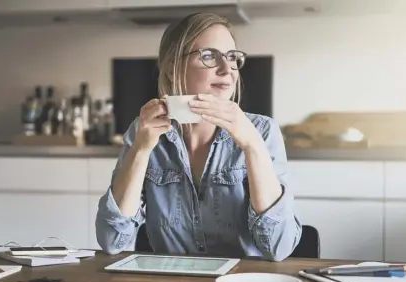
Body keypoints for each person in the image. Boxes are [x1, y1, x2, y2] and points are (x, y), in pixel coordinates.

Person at [96, 12, 302, 262]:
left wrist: (252, 146)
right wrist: (140, 151)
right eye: (209, 56)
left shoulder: (262, 131)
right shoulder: (143, 131)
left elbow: (278, 247)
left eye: (232, 57)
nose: (227, 70)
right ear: (173, 68)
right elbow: (111, 241)